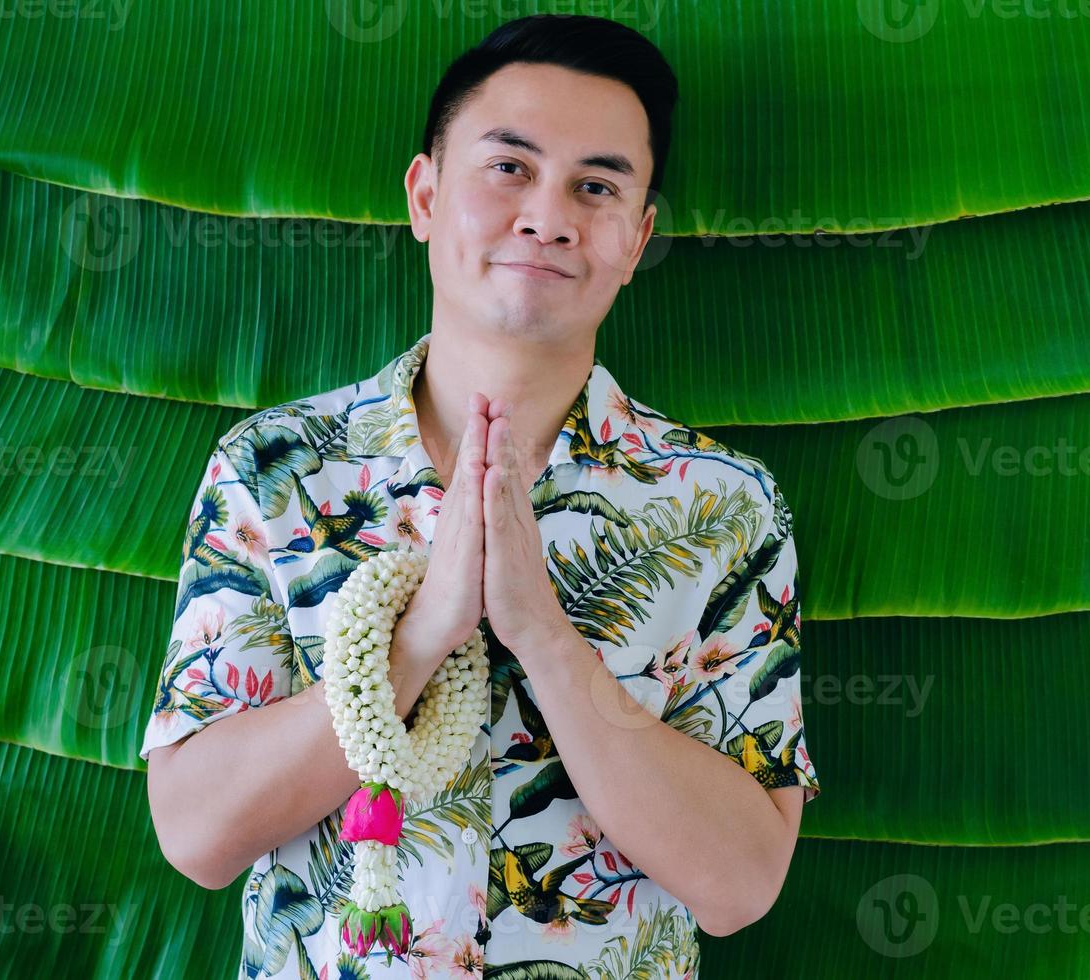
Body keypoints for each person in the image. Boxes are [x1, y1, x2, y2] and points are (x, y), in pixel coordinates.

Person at [142, 14, 819, 979]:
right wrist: (417, 639)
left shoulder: (725, 507)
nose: (547, 216)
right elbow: (197, 836)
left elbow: (740, 885)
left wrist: (543, 632)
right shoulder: (275, 469)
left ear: (635, 239)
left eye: (596, 186)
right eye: (508, 167)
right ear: (424, 194)